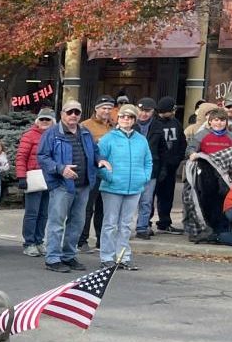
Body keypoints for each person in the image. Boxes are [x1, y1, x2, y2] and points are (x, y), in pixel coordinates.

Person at [38, 100, 99, 272]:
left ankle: (69, 256)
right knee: (57, 222)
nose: (73, 115)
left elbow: (95, 152)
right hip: (61, 185)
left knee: (77, 222)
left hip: (84, 185)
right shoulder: (51, 134)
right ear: (62, 114)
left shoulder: (85, 132)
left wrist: (100, 160)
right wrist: (60, 168)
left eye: (76, 112)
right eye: (69, 112)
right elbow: (42, 157)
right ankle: (53, 258)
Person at [96, 104, 151, 271]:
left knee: (126, 224)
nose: (126, 119)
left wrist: (144, 177)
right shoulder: (108, 138)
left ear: (134, 120)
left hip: (134, 187)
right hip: (112, 187)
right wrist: (108, 177)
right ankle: (107, 257)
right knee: (110, 223)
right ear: (117, 118)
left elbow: (148, 161)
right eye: (122, 116)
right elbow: (99, 161)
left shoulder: (141, 140)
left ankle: (123, 257)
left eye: (130, 117)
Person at [186, 106, 232, 239]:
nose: (218, 123)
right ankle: (206, 228)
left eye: (222, 120)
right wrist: (192, 153)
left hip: (224, 176)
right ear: (210, 122)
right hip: (205, 174)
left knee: (223, 202)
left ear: (226, 122)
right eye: (215, 120)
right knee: (205, 201)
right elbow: (191, 148)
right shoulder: (202, 135)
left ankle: (222, 230)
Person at [78, 96, 116, 249]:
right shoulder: (85, 126)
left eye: (109, 108)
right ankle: (82, 240)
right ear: (96, 109)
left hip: (108, 173)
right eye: (103, 108)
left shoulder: (114, 126)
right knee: (87, 208)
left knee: (104, 208)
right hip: (92, 172)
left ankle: (101, 240)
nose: (106, 111)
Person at [151, 97, 186, 232]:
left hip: (171, 166)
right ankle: (145, 223)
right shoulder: (154, 124)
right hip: (156, 166)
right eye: (172, 109)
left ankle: (164, 222)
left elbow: (182, 142)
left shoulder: (176, 123)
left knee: (167, 196)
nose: (174, 112)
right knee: (149, 197)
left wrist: (177, 159)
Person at [130, 98, 159, 240]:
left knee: (146, 201)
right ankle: (126, 228)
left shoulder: (158, 127)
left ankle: (142, 227)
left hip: (150, 170)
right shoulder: (129, 124)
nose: (144, 114)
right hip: (131, 169)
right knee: (129, 200)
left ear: (153, 112)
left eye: (147, 111)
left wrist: (161, 169)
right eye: (141, 110)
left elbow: (163, 151)